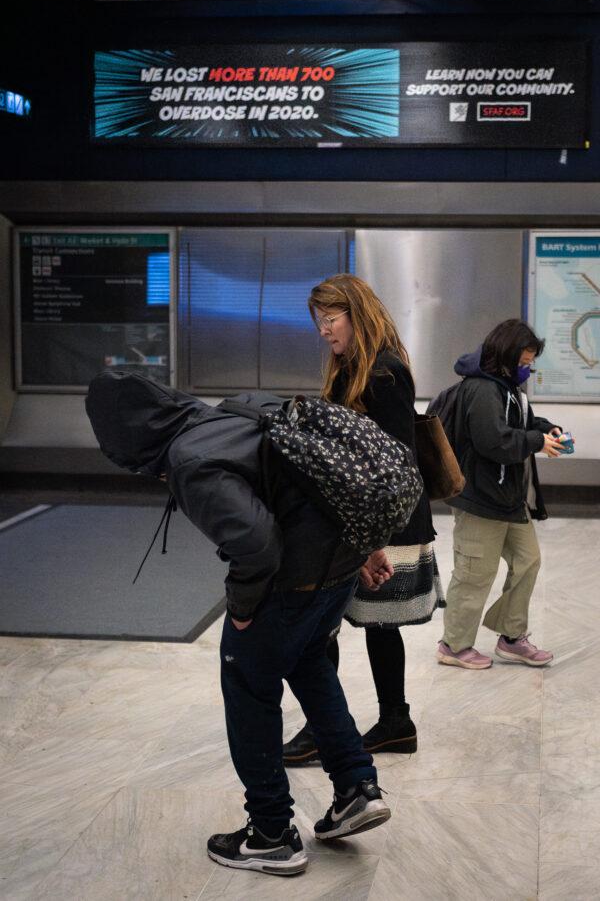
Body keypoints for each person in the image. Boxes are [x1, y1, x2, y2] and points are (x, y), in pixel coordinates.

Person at [85, 373, 394, 878]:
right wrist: (362, 546)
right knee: (311, 663)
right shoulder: (238, 410)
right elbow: (322, 478)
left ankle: (271, 834)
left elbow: (256, 543)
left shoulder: (190, 460)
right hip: (339, 563)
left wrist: (244, 607)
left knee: (249, 687)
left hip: (291, 580)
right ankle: (356, 789)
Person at [283, 273, 444, 765]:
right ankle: (385, 721)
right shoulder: (354, 366)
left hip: (382, 521)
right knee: (355, 623)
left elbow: (394, 463)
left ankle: (339, 725)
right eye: (319, 323)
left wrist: (370, 536)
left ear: (356, 313)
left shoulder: (383, 373)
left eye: (330, 320)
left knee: (344, 622)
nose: (324, 332)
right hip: (362, 517)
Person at [437, 319, 563, 670]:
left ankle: (511, 637)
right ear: (505, 355)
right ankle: (454, 646)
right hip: (480, 497)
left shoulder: (508, 387)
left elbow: (521, 424)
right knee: (474, 573)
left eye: (530, 363)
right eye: (524, 363)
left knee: (528, 561)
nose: (527, 369)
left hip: (508, 497)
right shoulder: (481, 389)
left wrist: (545, 429)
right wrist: (536, 442)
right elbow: (493, 441)